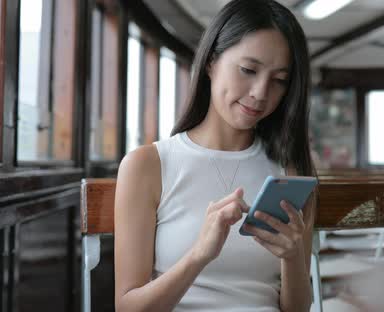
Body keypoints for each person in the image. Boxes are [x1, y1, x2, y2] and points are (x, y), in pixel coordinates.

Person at [114, 1, 316, 311]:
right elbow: (127, 308)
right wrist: (199, 255)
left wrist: (291, 259)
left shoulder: (290, 172)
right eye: (248, 70)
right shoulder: (148, 166)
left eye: (279, 81)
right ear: (210, 63)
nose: (261, 92)